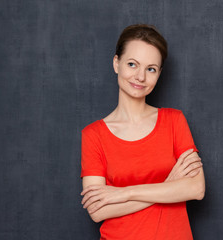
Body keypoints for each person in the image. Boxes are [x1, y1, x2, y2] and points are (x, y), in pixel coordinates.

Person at [80, 24, 205, 240]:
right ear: (116, 63)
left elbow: (196, 188)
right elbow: (97, 210)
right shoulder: (94, 135)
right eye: (132, 64)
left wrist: (124, 193)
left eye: (150, 69)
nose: (140, 77)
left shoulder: (174, 121)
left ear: (158, 74)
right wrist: (168, 187)